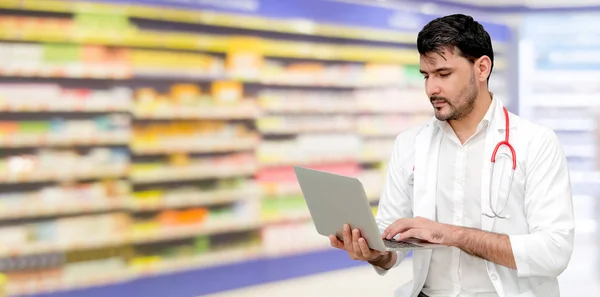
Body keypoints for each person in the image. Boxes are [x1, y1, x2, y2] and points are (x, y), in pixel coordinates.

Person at [328, 14, 575, 297]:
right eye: (426, 76)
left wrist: (450, 234)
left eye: (443, 74)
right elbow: (391, 245)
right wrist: (374, 252)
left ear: (482, 68)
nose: (431, 88)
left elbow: (554, 252)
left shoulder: (536, 143)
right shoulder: (409, 144)